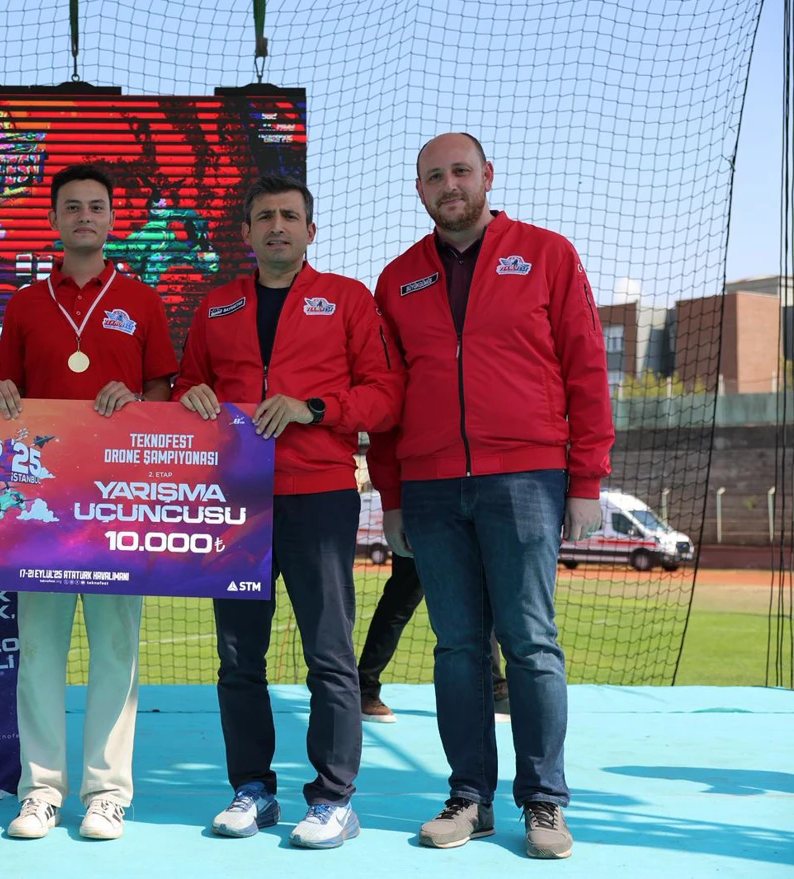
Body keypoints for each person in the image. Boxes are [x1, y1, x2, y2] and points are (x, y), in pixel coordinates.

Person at [367, 133, 613, 859]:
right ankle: (469, 798)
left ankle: (544, 802)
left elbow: (586, 366)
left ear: (487, 176)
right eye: (434, 176)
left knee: (531, 642)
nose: (449, 184)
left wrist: (586, 478)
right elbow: (387, 397)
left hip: (527, 477)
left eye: (461, 171)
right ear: (420, 189)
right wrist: (392, 494)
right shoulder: (397, 278)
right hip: (430, 486)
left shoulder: (548, 253)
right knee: (458, 647)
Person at [175, 174, 405, 849]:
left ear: (311, 230)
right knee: (237, 657)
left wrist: (315, 408)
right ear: (246, 232)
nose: (277, 226)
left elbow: (385, 396)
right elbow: (189, 383)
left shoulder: (348, 299)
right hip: (235, 500)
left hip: (319, 496)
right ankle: (252, 789)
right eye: (265, 217)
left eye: (289, 216)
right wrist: (190, 396)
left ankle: (333, 798)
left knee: (329, 653)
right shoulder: (216, 305)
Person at [0, 163, 179, 841]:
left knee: (116, 651)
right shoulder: (24, 304)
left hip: (117, 504)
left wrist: (140, 400)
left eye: (96, 206)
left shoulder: (143, 300)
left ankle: (107, 793)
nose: (85, 217)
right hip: (39, 504)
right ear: (54, 219)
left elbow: (164, 395)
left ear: (112, 219)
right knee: (38, 651)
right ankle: (40, 791)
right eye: (72, 207)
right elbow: (3, 391)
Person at [358, 553, 509, 724]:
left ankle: (495, 690)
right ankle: (364, 687)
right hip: (419, 537)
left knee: (477, 594)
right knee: (403, 596)